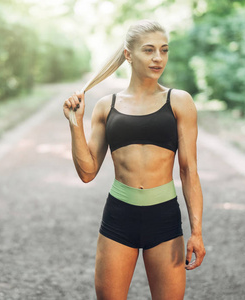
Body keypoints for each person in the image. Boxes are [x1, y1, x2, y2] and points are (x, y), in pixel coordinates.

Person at [62, 20, 205, 300]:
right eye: (149, 50)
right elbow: (87, 172)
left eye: (164, 50)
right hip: (119, 218)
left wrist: (196, 232)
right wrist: (75, 124)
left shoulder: (179, 102)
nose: (158, 58)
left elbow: (189, 171)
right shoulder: (106, 106)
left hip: (164, 217)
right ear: (129, 55)